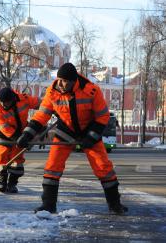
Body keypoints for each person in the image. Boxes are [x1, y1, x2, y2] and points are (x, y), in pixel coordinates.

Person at [17, 62, 128, 215]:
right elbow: (41, 116)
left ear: (74, 81)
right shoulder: (52, 92)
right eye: (59, 80)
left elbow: (102, 116)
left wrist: (92, 137)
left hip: (89, 130)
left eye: (65, 81)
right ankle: (48, 205)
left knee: (103, 167)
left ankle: (115, 205)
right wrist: (27, 134)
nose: (61, 84)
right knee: (52, 166)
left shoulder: (92, 91)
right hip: (66, 130)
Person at [0, 87, 40, 193]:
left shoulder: (24, 99)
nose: (4, 105)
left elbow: (40, 103)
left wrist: (52, 108)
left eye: (7, 102)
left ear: (13, 99)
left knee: (17, 161)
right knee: (2, 159)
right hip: (3, 137)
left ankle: (12, 183)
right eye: (2, 102)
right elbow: (5, 129)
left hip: (21, 134)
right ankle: (2, 183)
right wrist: (20, 140)